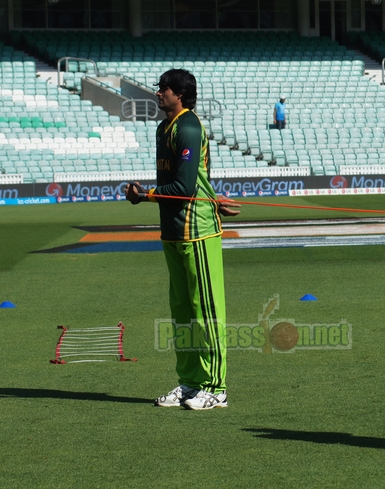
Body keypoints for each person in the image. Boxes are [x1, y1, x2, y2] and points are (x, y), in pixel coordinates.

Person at [124, 68, 241, 410]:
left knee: (206, 312)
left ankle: (216, 387)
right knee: (183, 313)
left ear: (178, 94)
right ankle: (190, 382)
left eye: (163, 89)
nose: (158, 93)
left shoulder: (188, 126)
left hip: (197, 231)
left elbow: (185, 188)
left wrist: (143, 196)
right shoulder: (164, 128)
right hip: (173, 230)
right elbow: (195, 178)